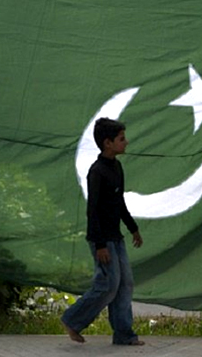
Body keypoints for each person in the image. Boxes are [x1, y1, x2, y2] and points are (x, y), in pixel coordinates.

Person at [61, 117, 144, 345]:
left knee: (125, 284)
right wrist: (99, 245)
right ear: (108, 143)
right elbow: (93, 211)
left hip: (116, 238)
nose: (126, 142)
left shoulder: (117, 167)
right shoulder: (96, 172)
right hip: (102, 240)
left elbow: (119, 203)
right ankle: (72, 320)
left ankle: (124, 334)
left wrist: (133, 228)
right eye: (121, 139)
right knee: (108, 285)